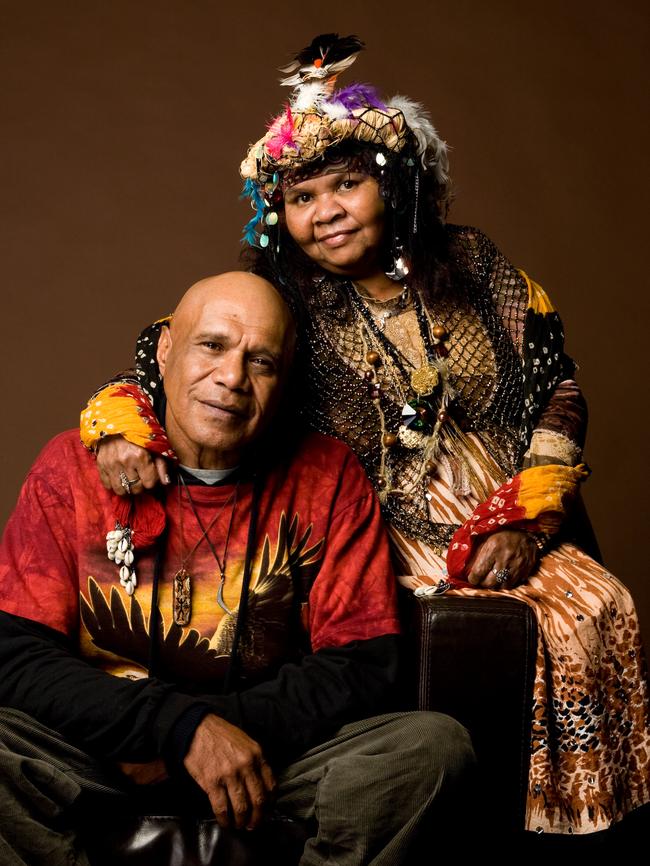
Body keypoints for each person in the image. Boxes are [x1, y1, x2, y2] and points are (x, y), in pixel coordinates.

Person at [79, 35, 649, 836]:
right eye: (303, 198)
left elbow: (558, 382)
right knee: (434, 641)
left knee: (598, 608)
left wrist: (531, 514)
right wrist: (117, 425)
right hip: (378, 517)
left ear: (396, 184)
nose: (327, 212)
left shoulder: (478, 264)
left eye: (347, 185)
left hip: (508, 498)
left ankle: (574, 823)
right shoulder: (280, 294)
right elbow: (169, 351)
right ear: (280, 214)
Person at [0, 273, 476, 866]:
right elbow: (18, 655)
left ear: (284, 380)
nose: (232, 379)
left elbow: (362, 665)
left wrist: (210, 734)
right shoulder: (71, 465)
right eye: (212, 346)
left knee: (432, 750)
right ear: (166, 348)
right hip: (104, 752)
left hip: (268, 755)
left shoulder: (328, 476)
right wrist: (176, 730)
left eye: (262, 362)